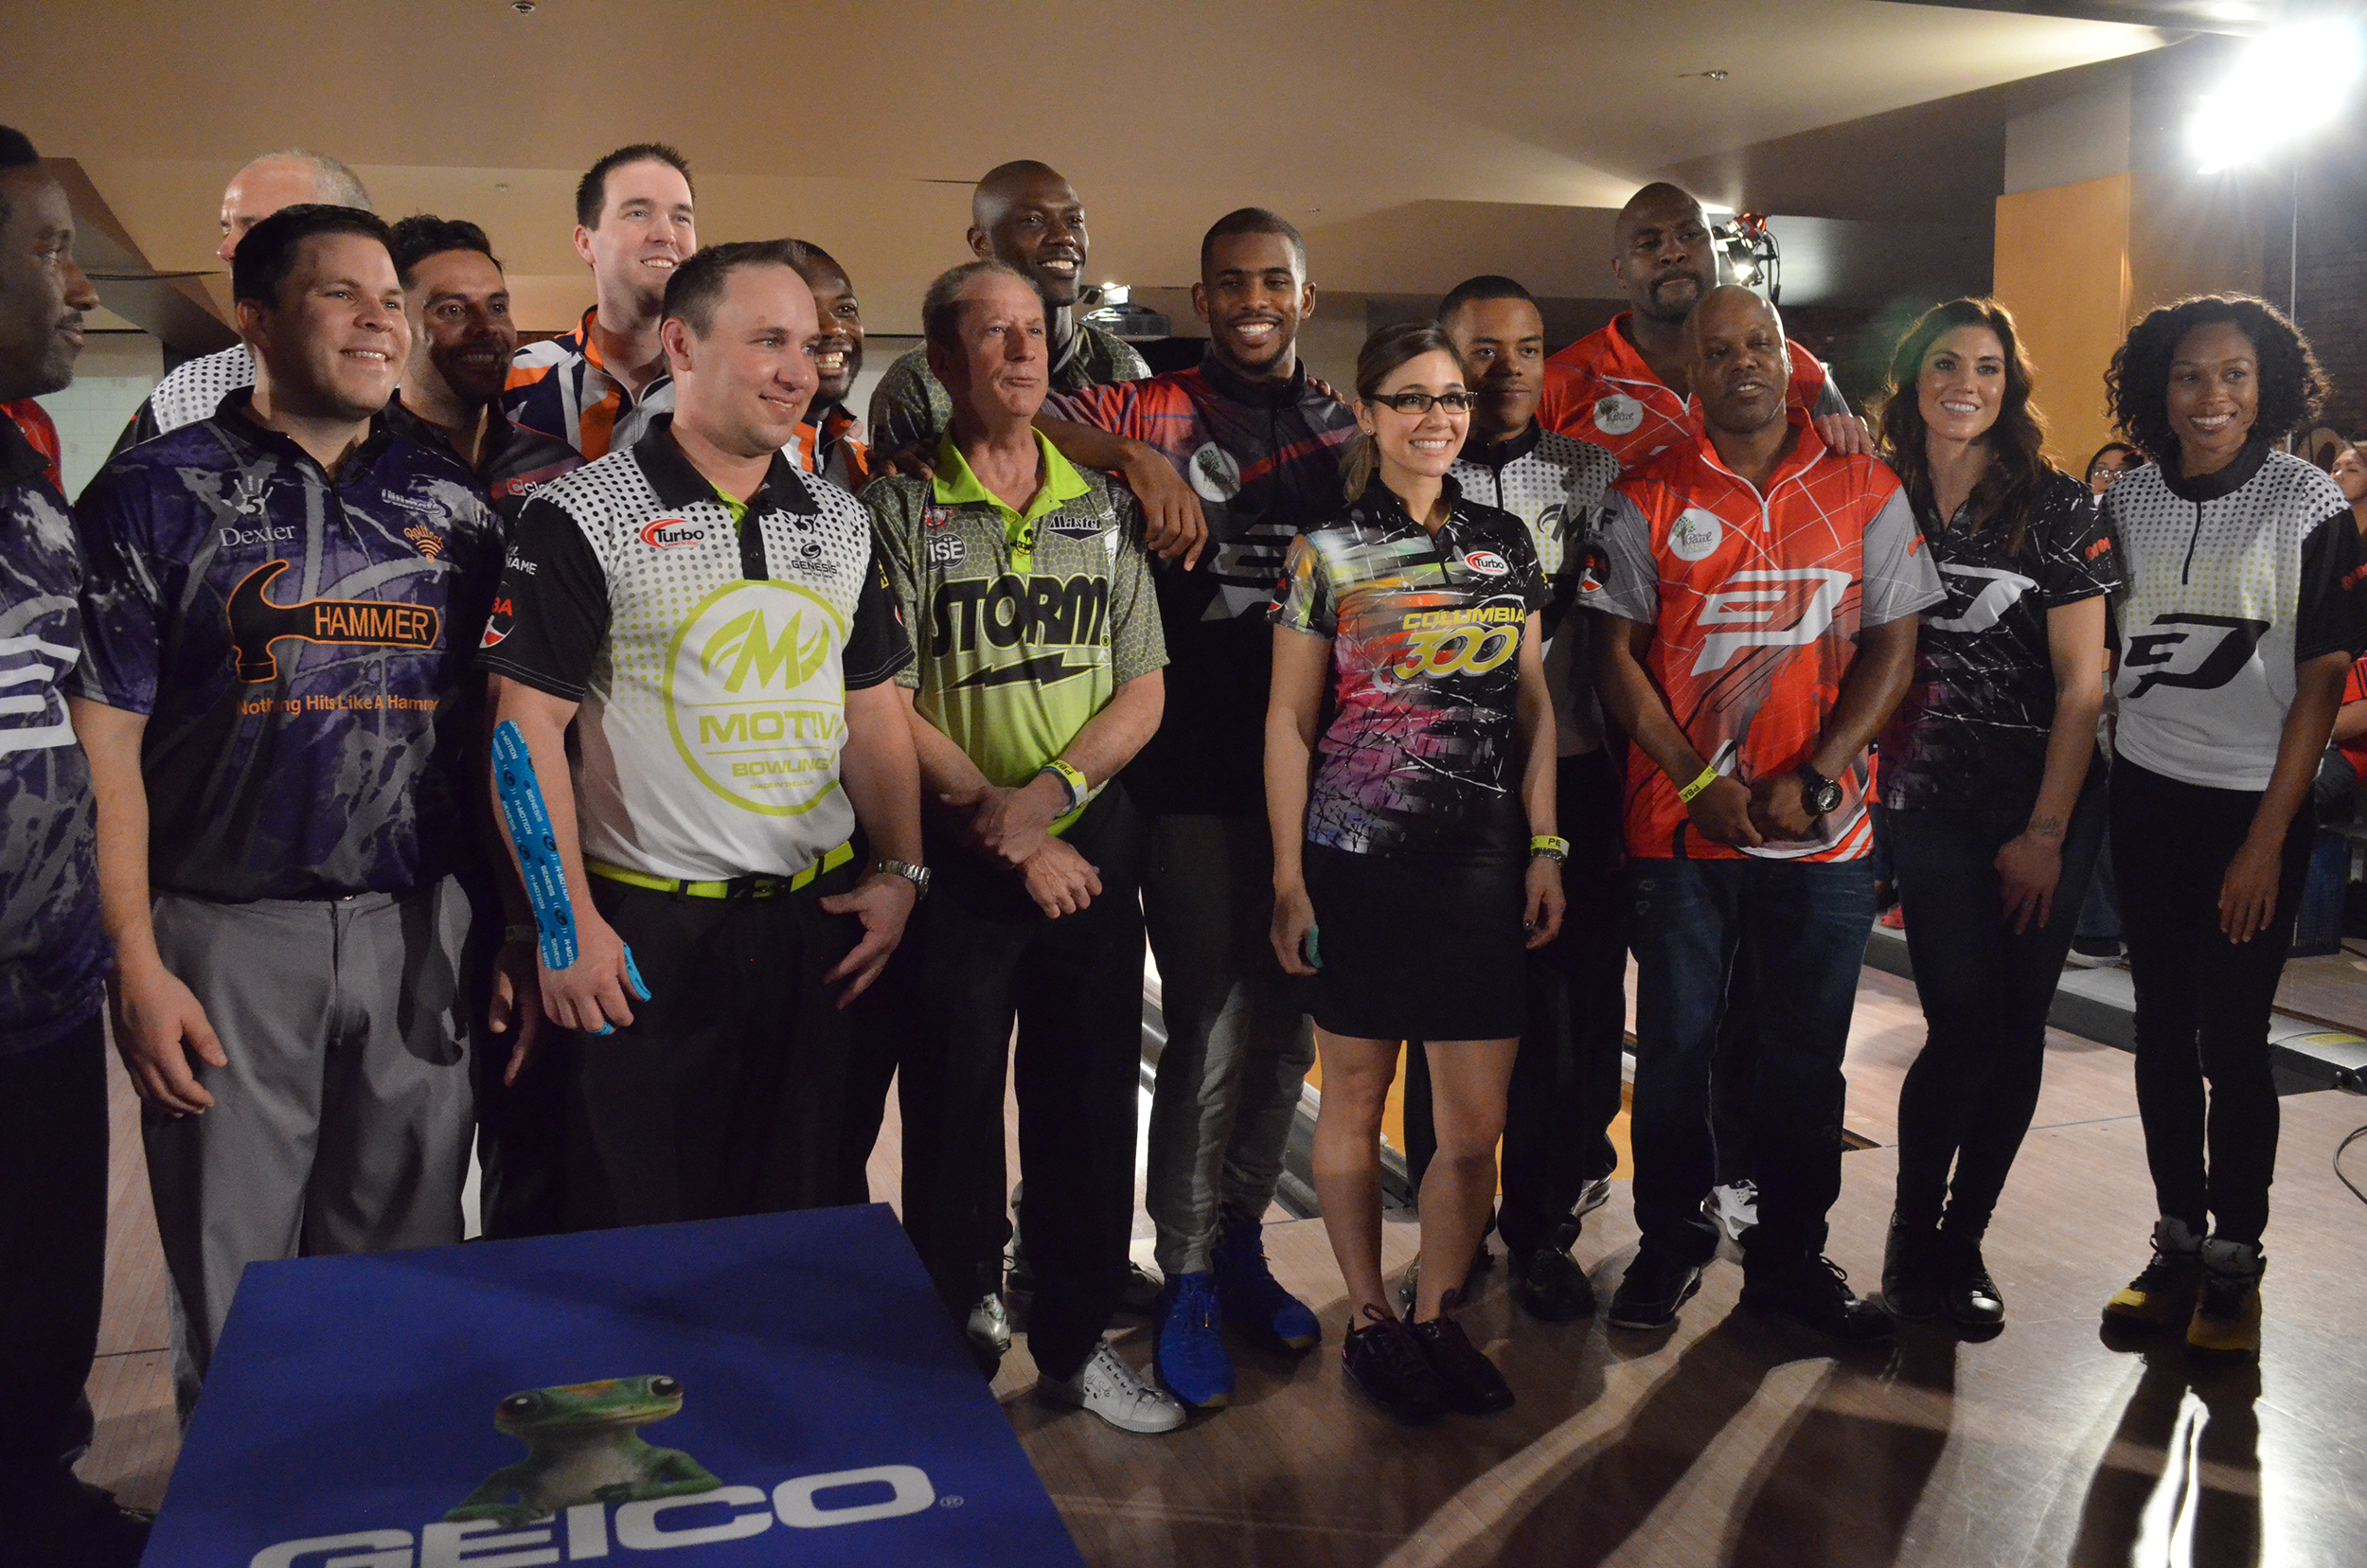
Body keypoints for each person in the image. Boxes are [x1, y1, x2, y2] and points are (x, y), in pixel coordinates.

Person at [68, 205, 506, 1417]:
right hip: (224, 938)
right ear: (254, 318)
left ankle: (386, 1488)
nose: (380, 321)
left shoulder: (453, 502)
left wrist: (513, 928)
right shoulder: (152, 493)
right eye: (339, 294)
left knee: (407, 1265)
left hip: (419, 926)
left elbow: (497, 737)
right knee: (240, 1283)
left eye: (390, 299)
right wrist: (134, 958)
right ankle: (247, 1499)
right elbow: (104, 743)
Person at [479, 241, 925, 1234]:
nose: (797, 371)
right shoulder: (580, 512)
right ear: (681, 345)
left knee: (804, 1223)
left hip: (815, 932)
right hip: (647, 937)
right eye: (768, 341)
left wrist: (902, 870)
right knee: (640, 1230)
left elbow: (872, 713)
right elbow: (523, 730)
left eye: (807, 345)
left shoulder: (841, 520)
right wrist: (564, 921)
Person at [1030, 207, 1350, 1410]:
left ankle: (1245, 1239)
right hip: (1191, 780)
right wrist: (1135, 459)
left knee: (1286, 1040)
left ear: (1305, 299)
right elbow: (1017, 415)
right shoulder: (1144, 406)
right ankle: (1190, 1271)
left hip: (1319, 783)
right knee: (1211, 1030)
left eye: (1274, 281)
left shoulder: (1344, 427)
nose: (1253, 300)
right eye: (1230, 283)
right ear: (1203, 298)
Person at [1589, 285, 1942, 1344]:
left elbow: (1895, 645)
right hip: (1678, 827)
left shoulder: (1865, 483)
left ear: (1789, 360)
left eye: (1759, 343)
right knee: (1677, 1055)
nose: (1741, 361)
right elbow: (1614, 658)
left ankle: (1789, 1261)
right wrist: (1699, 783)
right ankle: (1669, 1244)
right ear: (1690, 372)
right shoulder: (1645, 493)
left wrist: (1821, 771)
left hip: (1824, 831)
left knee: (1803, 1062)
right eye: (1718, 349)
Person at [865, 260, 1180, 1435]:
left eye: (1032, 334)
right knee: (951, 1111)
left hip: (1085, 849)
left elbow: (1142, 685)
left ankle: (1074, 1341)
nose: (1020, 352)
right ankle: (953, 1330)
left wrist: (1047, 799)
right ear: (944, 362)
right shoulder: (899, 510)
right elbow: (885, 700)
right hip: (960, 857)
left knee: (1088, 1106)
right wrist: (994, 817)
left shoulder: (1101, 506)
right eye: (991, 336)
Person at [1267, 321, 1563, 1423]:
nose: (1436, 417)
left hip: (1481, 866)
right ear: (1368, 414)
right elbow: (1289, 724)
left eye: (1451, 398)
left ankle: (1436, 1313)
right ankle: (1367, 1319)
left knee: (1471, 1127)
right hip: (1358, 863)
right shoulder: (1326, 552)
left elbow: (1532, 705)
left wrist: (1544, 843)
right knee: (1353, 1100)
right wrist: (1289, 877)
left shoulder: (1505, 541)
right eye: (1411, 398)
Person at [2093, 295, 2361, 1357]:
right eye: (2190, 376)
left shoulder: (2307, 501)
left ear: (2268, 386)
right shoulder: (2127, 500)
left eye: (2235, 375)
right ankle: (2175, 1239)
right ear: (2158, 388)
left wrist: (2264, 840)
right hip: (2148, 795)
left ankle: (2236, 1259)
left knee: (2233, 1040)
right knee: (2160, 1028)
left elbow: (2320, 683)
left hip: (2256, 804)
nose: (2212, 397)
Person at [1867, 299, 2119, 1330]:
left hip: (2041, 803)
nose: (1963, 383)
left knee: (2016, 1031)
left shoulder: (2055, 504)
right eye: (1944, 363)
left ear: (2010, 385)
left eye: (1985, 366)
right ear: (1911, 378)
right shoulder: (1876, 493)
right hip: (1925, 799)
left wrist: (2045, 833)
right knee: (1964, 1023)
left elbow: (2083, 685)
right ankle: (1909, 1231)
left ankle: (1962, 1240)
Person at [1386, 275, 1625, 1326]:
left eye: (1528, 348)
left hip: (1571, 774)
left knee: (1565, 1024)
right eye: (1484, 350)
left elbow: (1620, 640)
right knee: (1443, 1014)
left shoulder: (1592, 475)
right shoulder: (1411, 479)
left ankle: (1540, 1231)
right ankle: (1447, 1236)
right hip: (1446, 784)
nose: (1509, 370)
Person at [0, 123, 151, 1568]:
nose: (83, 287)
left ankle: (39, 1503)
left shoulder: (22, 460)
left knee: (42, 1295)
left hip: (44, 992)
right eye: (51, 250)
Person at [1539, 182, 1866, 472]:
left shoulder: (1792, 366)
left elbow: (1850, 481)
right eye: (1649, 243)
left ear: (1714, 248)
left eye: (1689, 235)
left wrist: (1851, 437)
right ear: (1619, 271)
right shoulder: (1558, 383)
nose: (1673, 253)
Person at [866, 160, 1148, 460]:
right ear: (982, 243)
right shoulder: (920, 383)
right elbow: (896, 483)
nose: (1064, 236)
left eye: (1074, 220)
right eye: (1033, 221)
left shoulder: (1122, 366)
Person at [114, 151, 373, 451]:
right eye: (227, 229)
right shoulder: (190, 394)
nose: (226, 249)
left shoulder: (408, 392)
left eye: (255, 229)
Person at [610, 240, 877, 490]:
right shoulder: (641, 464)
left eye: (845, 309)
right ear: (681, 344)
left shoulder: (858, 462)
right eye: (771, 341)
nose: (834, 328)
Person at [505, 144, 696, 460]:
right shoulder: (520, 377)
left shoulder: (719, 382)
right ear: (585, 243)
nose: (667, 234)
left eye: (681, 217)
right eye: (638, 213)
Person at [387, 216, 582, 524]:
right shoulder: (361, 461)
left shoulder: (559, 469)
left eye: (497, 307)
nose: (487, 327)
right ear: (395, 324)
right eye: (452, 310)